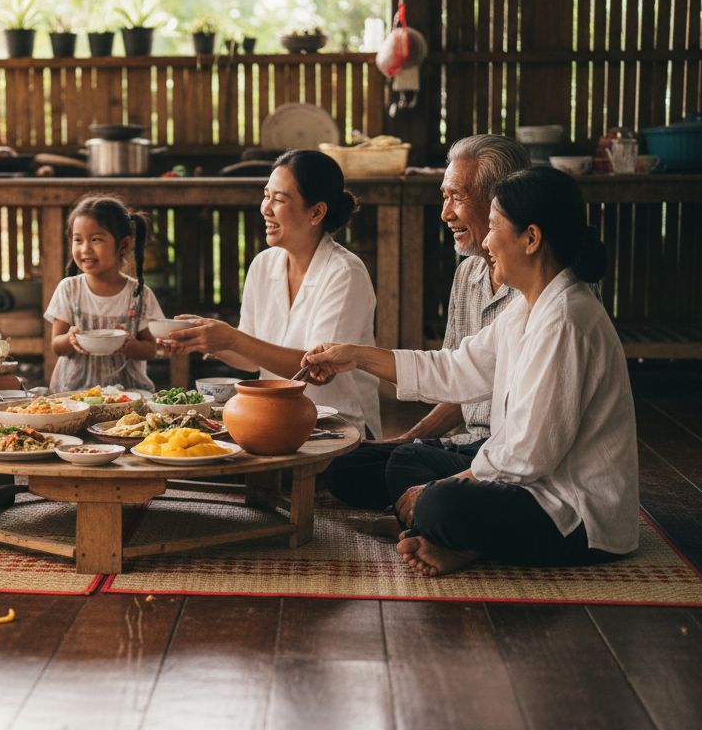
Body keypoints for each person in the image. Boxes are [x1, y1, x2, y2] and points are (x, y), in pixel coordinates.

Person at [302, 167, 638, 576]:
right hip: (525, 482)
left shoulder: (566, 319)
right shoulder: (529, 306)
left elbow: (530, 453)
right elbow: (456, 368)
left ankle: (456, 538)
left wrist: (443, 487)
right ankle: (456, 538)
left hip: (574, 513)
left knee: (441, 504)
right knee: (383, 464)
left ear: (531, 239)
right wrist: (356, 356)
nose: (488, 240)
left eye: (495, 226)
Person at [323, 134, 530, 507]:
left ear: (501, 201)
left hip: (513, 452)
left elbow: (532, 439)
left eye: (457, 197)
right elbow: (455, 378)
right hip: (464, 445)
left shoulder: (541, 287)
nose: (445, 213)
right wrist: (406, 437)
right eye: (444, 196)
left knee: (408, 465)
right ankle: (431, 499)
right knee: (344, 467)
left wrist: (410, 449)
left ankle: (435, 504)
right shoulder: (468, 276)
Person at [159, 149, 380, 437]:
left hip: (339, 428)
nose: (266, 208)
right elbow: (251, 358)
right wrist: (205, 339)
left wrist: (230, 337)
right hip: (274, 421)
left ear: (316, 212)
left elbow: (318, 372)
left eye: (279, 199)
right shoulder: (264, 264)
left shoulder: (345, 272)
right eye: (266, 195)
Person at [45, 194, 166, 392]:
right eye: (78, 240)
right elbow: (56, 346)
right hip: (75, 394)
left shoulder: (139, 295)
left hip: (127, 394)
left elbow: (150, 350)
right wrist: (70, 339)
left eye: (95, 239)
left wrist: (129, 344)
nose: (85, 249)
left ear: (124, 245)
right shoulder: (69, 289)